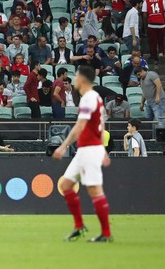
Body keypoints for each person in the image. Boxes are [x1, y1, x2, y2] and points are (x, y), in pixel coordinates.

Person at [53, 65, 112, 243]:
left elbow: (81, 126)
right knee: (66, 186)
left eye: (76, 76)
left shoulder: (88, 98)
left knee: (94, 190)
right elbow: (100, 126)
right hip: (86, 149)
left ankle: (106, 234)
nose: (74, 79)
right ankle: (79, 226)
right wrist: (103, 150)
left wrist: (63, 146)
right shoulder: (96, 98)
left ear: (83, 79)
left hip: (89, 150)